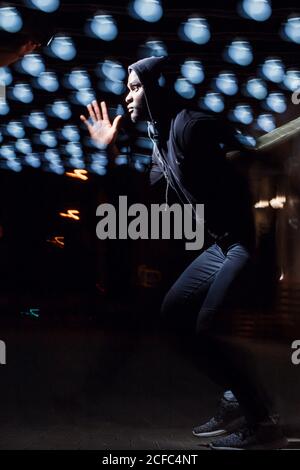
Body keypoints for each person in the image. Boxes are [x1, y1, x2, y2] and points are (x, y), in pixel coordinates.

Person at [80, 56, 288, 450]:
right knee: (173, 313)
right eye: (128, 87)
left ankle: (264, 424)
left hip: (241, 242)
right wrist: (109, 150)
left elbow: (241, 144)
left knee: (205, 326)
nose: (127, 96)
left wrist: (261, 163)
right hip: (218, 246)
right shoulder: (161, 139)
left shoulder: (189, 126)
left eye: (135, 87)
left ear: (156, 88)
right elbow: (144, 196)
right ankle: (235, 396)